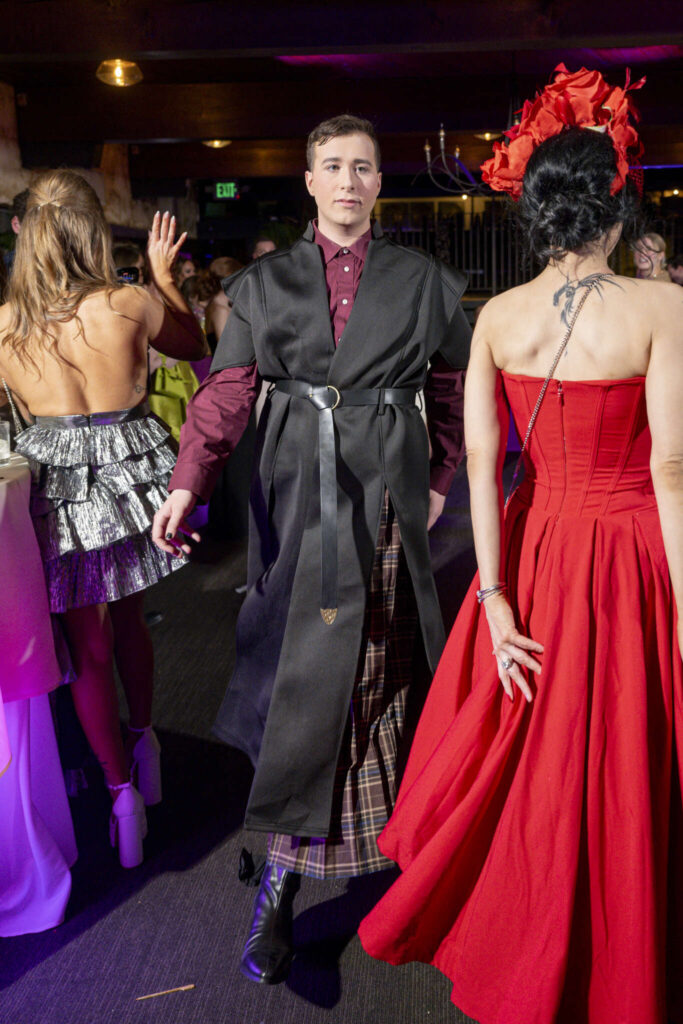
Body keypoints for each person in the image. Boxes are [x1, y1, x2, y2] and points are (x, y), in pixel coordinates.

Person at [359, 67, 683, 1024]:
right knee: (628, 746)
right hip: (631, 547)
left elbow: (482, 469)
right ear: (614, 210)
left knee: (533, 754)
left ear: (537, 218)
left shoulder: (495, 318)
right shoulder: (663, 309)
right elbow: (671, 470)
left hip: (536, 547)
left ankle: (528, 937)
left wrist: (494, 600)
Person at [153, 113, 471, 984]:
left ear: (380, 182)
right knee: (300, 682)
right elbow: (226, 390)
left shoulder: (422, 282)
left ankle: (387, 863)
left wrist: (440, 475)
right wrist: (188, 480)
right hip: (296, 496)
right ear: (308, 180)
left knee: (377, 677)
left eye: (362, 167)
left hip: (388, 496)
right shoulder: (263, 284)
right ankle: (284, 880)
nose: (347, 181)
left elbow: (452, 387)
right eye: (332, 166)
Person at [0, 170, 207, 868]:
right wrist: (163, 278)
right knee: (130, 620)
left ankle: (120, 797)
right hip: (129, 470)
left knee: (85, 645)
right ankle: (146, 744)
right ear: (93, 232)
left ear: (27, 237)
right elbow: (193, 346)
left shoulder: (6, 324)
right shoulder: (130, 301)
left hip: (55, 481)